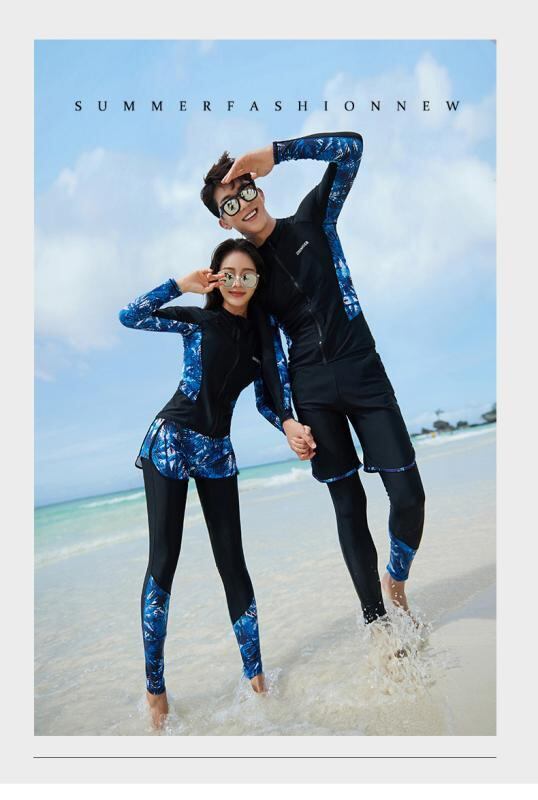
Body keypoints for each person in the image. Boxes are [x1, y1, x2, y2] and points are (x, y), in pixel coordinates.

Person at [200, 132, 426, 625]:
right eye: (230, 203)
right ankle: (378, 626)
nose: (243, 203)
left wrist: (278, 153)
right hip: (313, 394)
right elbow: (267, 356)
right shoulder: (249, 278)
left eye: (245, 189)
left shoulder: (313, 218)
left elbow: (352, 149)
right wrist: (284, 419)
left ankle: (396, 580)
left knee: (409, 496)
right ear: (224, 220)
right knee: (348, 504)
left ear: (258, 186)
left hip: (364, 372)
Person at [119, 238, 311, 728]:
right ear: (216, 278)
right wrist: (179, 285)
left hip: (217, 452)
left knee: (233, 563)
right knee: (165, 559)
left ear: (258, 281)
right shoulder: (197, 320)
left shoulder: (264, 335)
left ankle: (257, 680)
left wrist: (288, 423)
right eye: (229, 274)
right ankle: (156, 690)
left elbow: (271, 397)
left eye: (248, 274)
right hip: (171, 441)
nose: (238, 282)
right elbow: (130, 316)